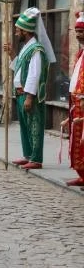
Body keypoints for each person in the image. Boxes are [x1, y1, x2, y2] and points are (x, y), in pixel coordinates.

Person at [4, 7, 56, 170]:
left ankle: (36, 158)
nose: (16, 32)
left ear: (26, 31)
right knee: (25, 128)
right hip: (20, 94)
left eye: (18, 30)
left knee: (34, 127)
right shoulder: (26, 48)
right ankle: (27, 155)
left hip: (29, 95)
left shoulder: (36, 49)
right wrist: (12, 54)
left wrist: (29, 96)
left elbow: (35, 74)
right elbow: (18, 68)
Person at [60, 12, 84, 185]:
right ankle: (82, 175)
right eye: (76, 31)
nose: (78, 34)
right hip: (76, 103)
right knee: (76, 142)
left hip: (82, 102)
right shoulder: (80, 53)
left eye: (81, 31)